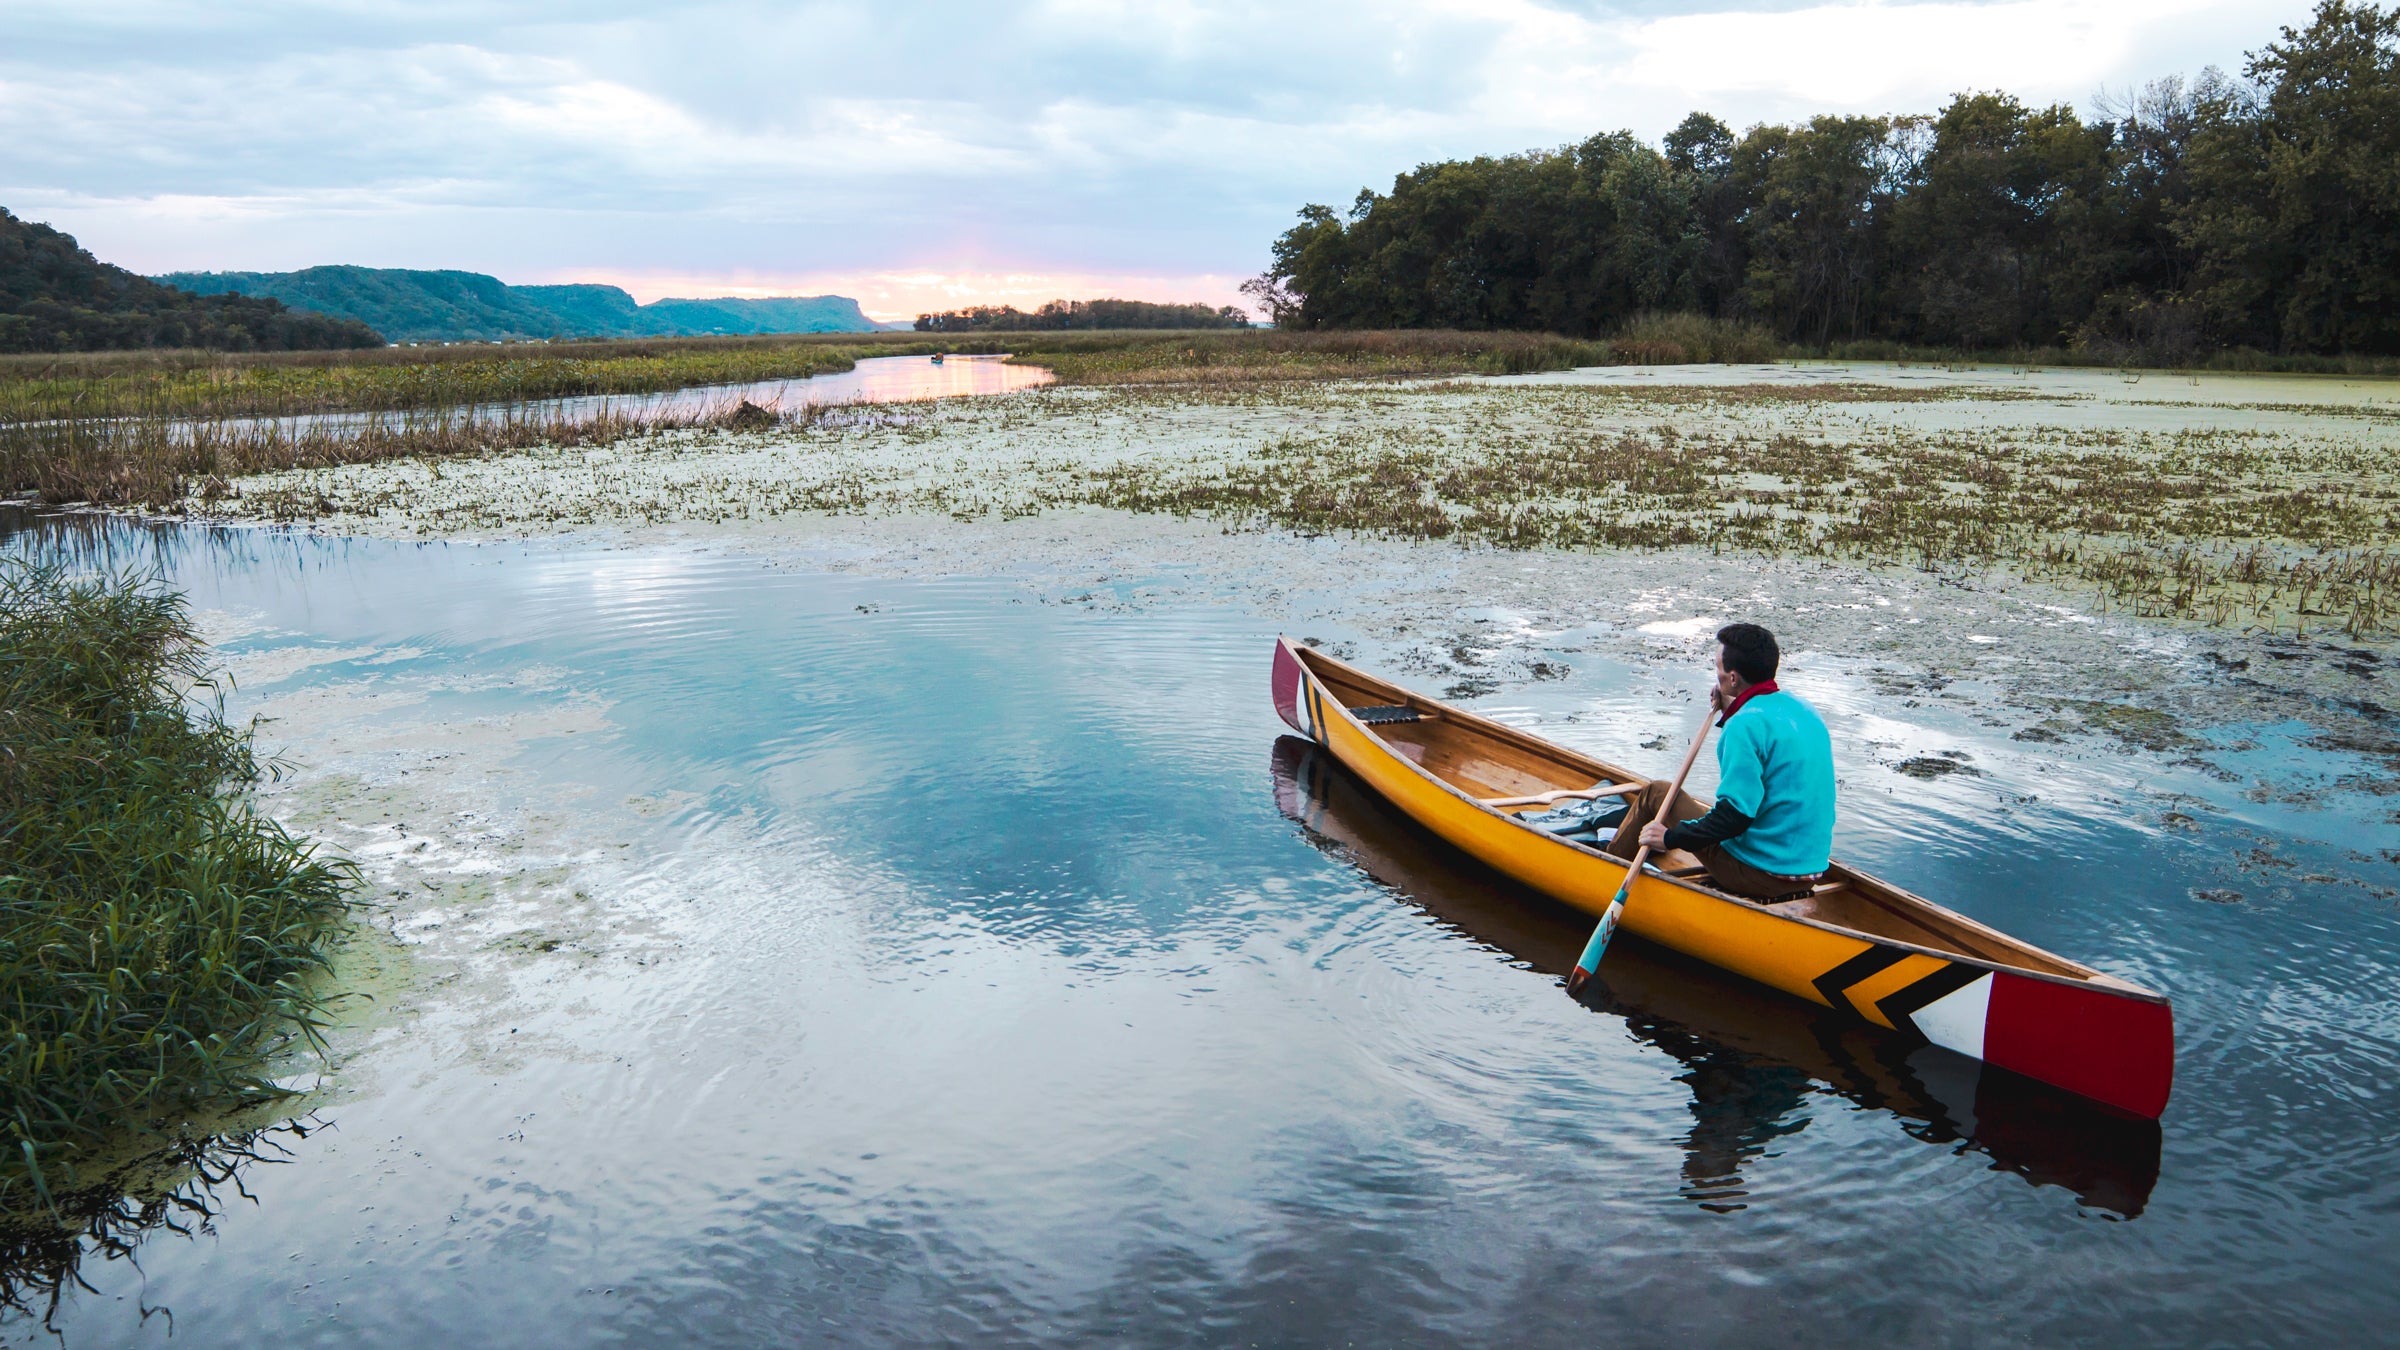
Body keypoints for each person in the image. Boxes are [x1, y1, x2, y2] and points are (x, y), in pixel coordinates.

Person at [1606, 623, 1835, 902]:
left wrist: (1670, 839)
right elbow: (1761, 719)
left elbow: (1734, 818)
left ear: (1734, 677)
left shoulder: (1743, 726)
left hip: (1760, 874)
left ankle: (1605, 868)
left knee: (1657, 794)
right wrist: (1730, 702)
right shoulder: (1802, 709)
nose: (1717, 674)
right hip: (1809, 868)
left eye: (1719, 668)